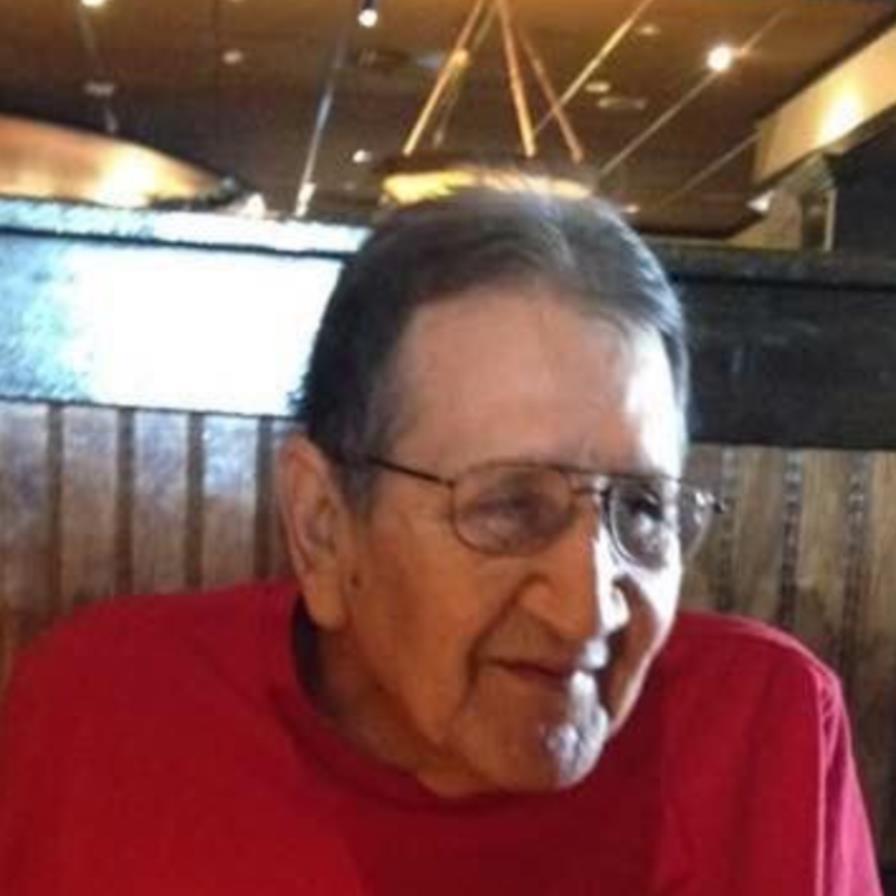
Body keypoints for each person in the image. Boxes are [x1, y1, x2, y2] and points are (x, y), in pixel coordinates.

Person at [0, 188, 880, 894]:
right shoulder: (105, 713)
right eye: (509, 508)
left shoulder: (765, 734)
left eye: (642, 510)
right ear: (324, 527)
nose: (586, 612)